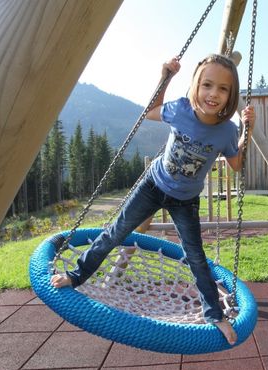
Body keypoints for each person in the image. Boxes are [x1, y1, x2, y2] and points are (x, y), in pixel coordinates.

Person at [51, 53, 255, 345]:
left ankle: (214, 314)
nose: (213, 94)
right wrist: (166, 77)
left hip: (185, 200)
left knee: (196, 256)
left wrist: (248, 130)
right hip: (153, 185)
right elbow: (151, 110)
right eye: (207, 85)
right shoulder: (181, 109)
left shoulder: (226, 131)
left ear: (231, 94)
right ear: (196, 85)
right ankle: (77, 274)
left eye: (223, 89)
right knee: (115, 232)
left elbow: (237, 164)